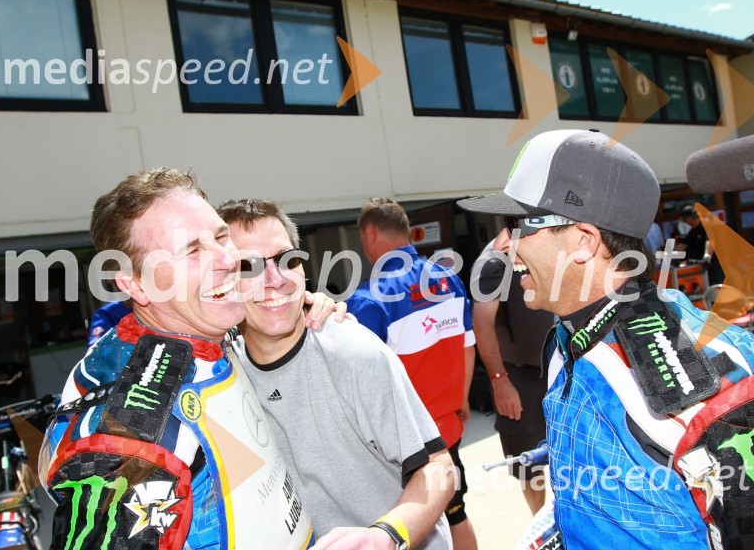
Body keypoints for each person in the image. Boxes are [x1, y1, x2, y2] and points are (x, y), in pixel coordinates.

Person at [458, 129, 754, 549]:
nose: (503, 244)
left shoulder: (687, 387)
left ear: (584, 242)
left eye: (518, 225)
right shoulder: (569, 333)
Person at [40, 168, 343, 549]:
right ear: (134, 283)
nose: (227, 260)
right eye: (192, 251)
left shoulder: (196, 330)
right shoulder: (133, 435)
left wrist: (307, 310)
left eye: (220, 237)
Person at [216, 199, 454, 550]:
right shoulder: (222, 369)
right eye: (248, 266)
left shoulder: (355, 353)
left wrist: (385, 536)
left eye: (287, 260)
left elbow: (438, 468)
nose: (276, 280)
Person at [346, 198, 478, 550]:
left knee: (401, 530)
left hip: (404, 445)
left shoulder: (366, 299)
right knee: (456, 514)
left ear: (370, 234)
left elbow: (357, 384)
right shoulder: (449, 279)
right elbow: (467, 346)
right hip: (448, 430)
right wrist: (462, 398)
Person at [471, 230, 554, 515]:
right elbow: (481, 324)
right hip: (518, 379)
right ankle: (539, 523)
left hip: (556, 369)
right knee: (530, 467)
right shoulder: (493, 262)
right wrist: (499, 381)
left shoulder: (543, 244)